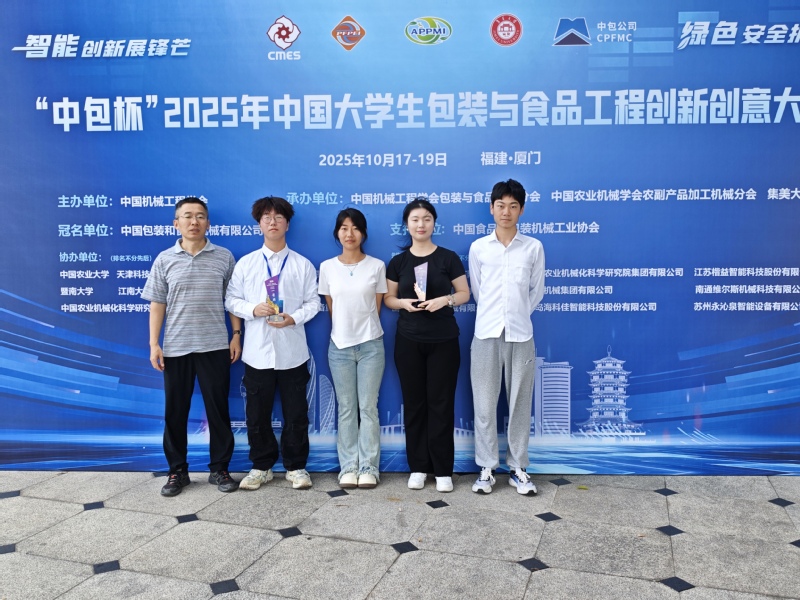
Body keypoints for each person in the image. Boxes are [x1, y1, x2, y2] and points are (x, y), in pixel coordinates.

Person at [142, 196, 242, 497]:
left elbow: (232, 301)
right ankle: (177, 471)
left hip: (214, 345)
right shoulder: (164, 259)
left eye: (200, 216)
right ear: (176, 223)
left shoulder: (224, 257)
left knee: (218, 411)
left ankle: (220, 469)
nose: (194, 221)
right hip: (176, 347)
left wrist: (236, 334)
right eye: (187, 216)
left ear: (208, 222)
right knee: (175, 412)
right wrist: (154, 344)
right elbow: (157, 303)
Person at [225, 196, 319, 490]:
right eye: (267, 217)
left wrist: (294, 317)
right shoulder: (247, 264)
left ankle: (296, 467)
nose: (273, 222)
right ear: (259, 224)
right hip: (257, 352)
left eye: (279, 217)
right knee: (256, 415)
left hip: (293, 352)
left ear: (287, 224)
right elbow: (231, 300)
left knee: (296, 414)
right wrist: (253, 309)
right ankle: (261, 466)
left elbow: (313, 303)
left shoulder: (302, 264)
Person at [384, 198, 470, 493]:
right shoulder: (398, 262)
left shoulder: (448, 258)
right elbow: (388, 299)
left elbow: (464, 293)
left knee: (441, 404)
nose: (421, 225)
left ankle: (443, 469)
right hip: (408, 341)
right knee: (415, 405)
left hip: (444, 340)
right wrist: (403, 304)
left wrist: (444, 300)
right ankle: (418, 467)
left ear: (434, 223)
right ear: (406, 224)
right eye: (415, 219)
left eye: (426, 219)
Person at [468, 179, 544, 495]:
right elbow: (477, 290)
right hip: (486, 334)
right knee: (484, 405)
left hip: (521, 334)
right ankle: (486, 468)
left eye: (513, 206)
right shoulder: (479, 248)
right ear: (492, 208)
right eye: (501, 205)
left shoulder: (533, 247)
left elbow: (536, 292)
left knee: (519, 405)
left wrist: (517, 315)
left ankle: (517, 468)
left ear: (521, 210)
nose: (506, 212)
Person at [318, 208, 387, 489]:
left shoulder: (377, 266)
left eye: (355, 228)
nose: (350, 233)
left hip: (371, 345)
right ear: (337, 232)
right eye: (344, 228)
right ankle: (348, 467)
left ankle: (369, 467)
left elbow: (376, 308)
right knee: (346, 408)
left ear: (363, 233)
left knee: (368, 408)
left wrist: (362, 333)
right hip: (339, 347)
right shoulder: (327, 267)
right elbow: (332, 307)